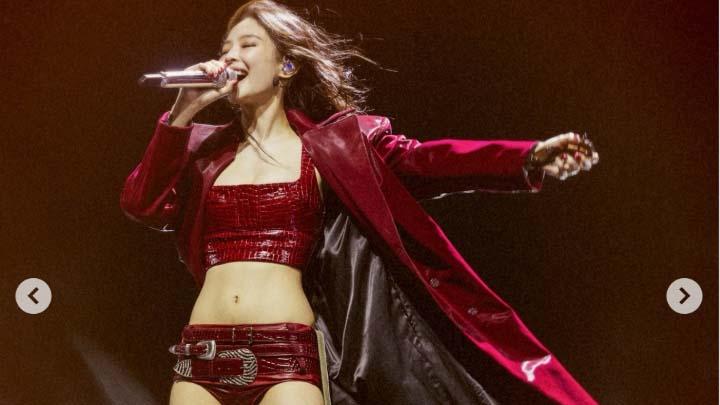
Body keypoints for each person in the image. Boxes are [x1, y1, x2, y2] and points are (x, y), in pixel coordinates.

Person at [120, 1, 600, 404]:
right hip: (202, 355)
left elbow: (427, 162)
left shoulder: (337, 145)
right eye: (225, 47)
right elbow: (142, 204)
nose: (229, 56)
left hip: (285, 355)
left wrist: (525, 157)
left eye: (248, 45)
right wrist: (181, 112)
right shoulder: (200, 149)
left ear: (287, 65)